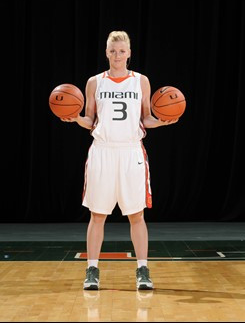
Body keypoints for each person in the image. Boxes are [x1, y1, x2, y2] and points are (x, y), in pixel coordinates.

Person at [61, 31, 178, 290]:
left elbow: (145, 117)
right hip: (102, 150)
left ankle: (143, 270)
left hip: (131, 152)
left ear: (129, 53)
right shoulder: (94, 82)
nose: (117, 55)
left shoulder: (141, 81)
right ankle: (92, 269)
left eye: (122, 51)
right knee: (97, 214)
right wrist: (75, 117)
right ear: (106, 53)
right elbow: (90, 119)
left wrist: (161, 121)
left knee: (136, 215)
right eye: (113, 51)